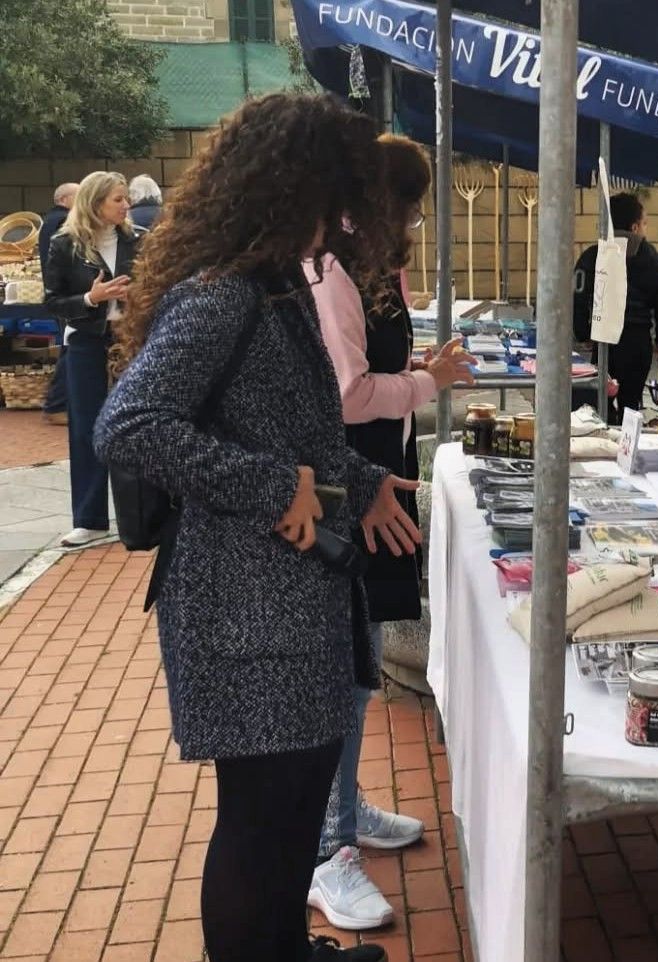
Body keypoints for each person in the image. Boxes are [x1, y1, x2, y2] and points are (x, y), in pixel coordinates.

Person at [93, 92, 416, 962]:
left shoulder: (274, 285)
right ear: (291, 188)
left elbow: (289, 431)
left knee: (290, 809)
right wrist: (275, 488)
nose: (349, 218)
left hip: (277, 607)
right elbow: (129, 425)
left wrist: (365, 476)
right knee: (262, 823)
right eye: (339, 195)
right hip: (243, 614)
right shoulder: (225, 295)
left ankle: (286, 948)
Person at [306, 133, 475, 931]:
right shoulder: (331, 273)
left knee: (363, 661)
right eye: (408, 205)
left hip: (375, 485)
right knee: (341, 670)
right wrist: (424, 382)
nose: (412, 221)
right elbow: (343, 394)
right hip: (347, 494)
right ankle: (325, 846)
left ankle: (345, 810)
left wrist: (419, 377)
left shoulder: (372, 271)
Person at [43, 171, 144, 548]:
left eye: (126, 198)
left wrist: (141, 298)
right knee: (86, 427)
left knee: (139, 424)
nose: (126, 205)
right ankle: (90, 519)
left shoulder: (140, 241)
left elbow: (164, 287)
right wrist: (91, 299)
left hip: (131, 341)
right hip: (86, 341)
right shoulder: (65, 244)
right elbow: (52, 301)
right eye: (118, 198)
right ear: (96, 201)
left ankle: (145, 511)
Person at [572, 192, 658, 423]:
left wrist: (583, 332)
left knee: (601, 397)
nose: (645, 229)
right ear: (634, 227)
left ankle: (604, 432)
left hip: (604, 340)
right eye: (644, 223)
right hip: (637, 341)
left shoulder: (593, 256)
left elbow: (578, 298)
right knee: (631, 403)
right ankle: (627, 443)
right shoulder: (655, 260)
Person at [39, 182, 78, 426]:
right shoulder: (63, 222)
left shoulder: (48, 221)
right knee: (70, 348)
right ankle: (56, 404)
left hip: (60, 293)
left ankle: (57, 403)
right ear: (64, 198)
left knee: (68, 347)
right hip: (68, 296)